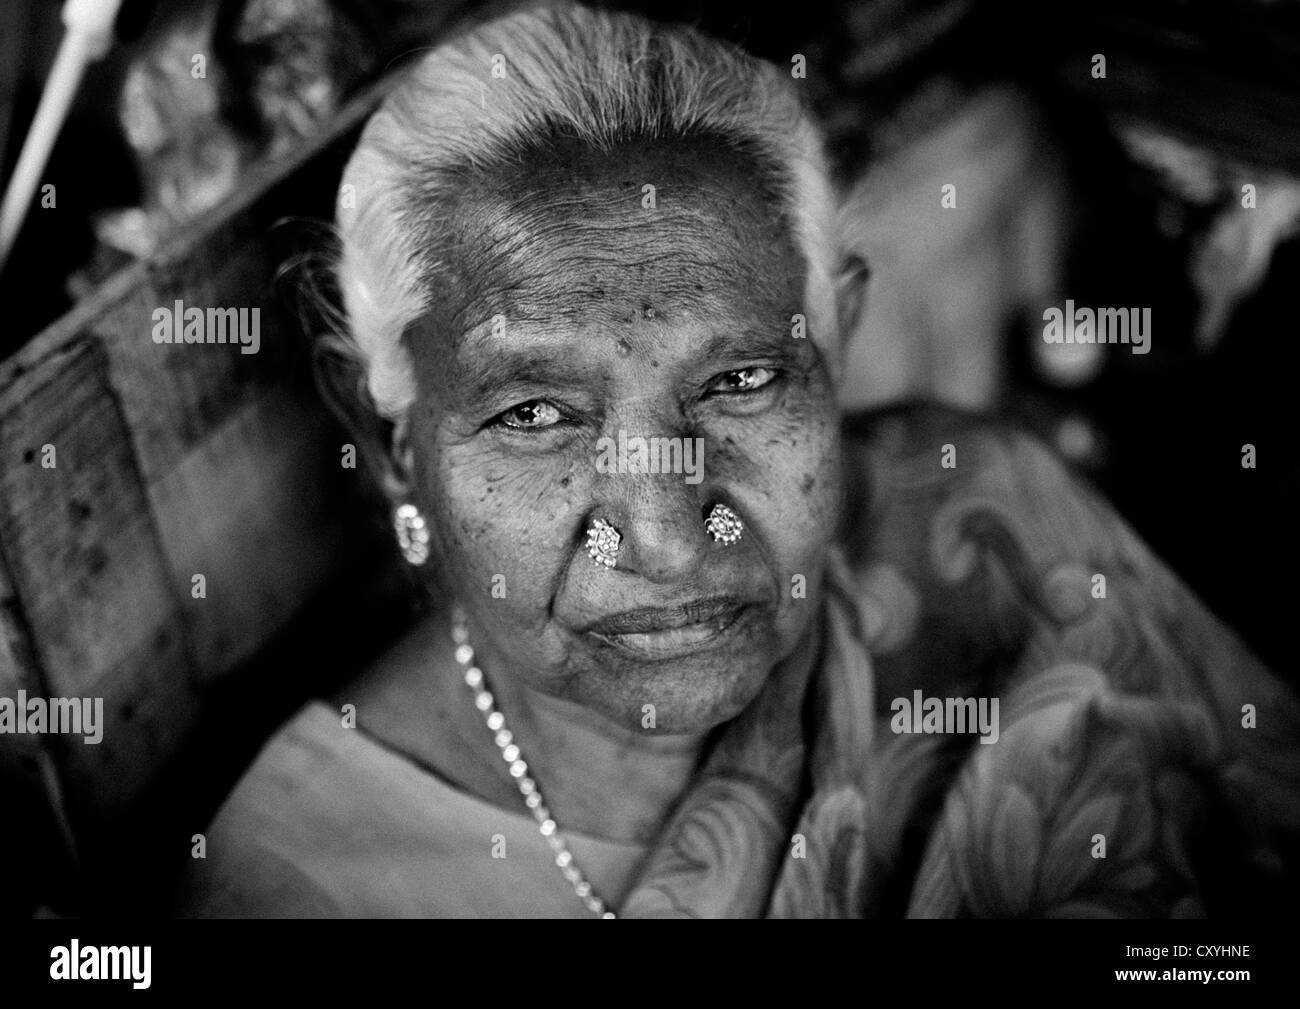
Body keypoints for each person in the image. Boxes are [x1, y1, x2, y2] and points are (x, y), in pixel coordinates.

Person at [179, 3, 1299, 918]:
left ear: (838, 340)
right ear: (390, 443)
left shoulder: (969, 512)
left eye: (741, 381)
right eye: (534, 415)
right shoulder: (295, 890)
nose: (667, 537)